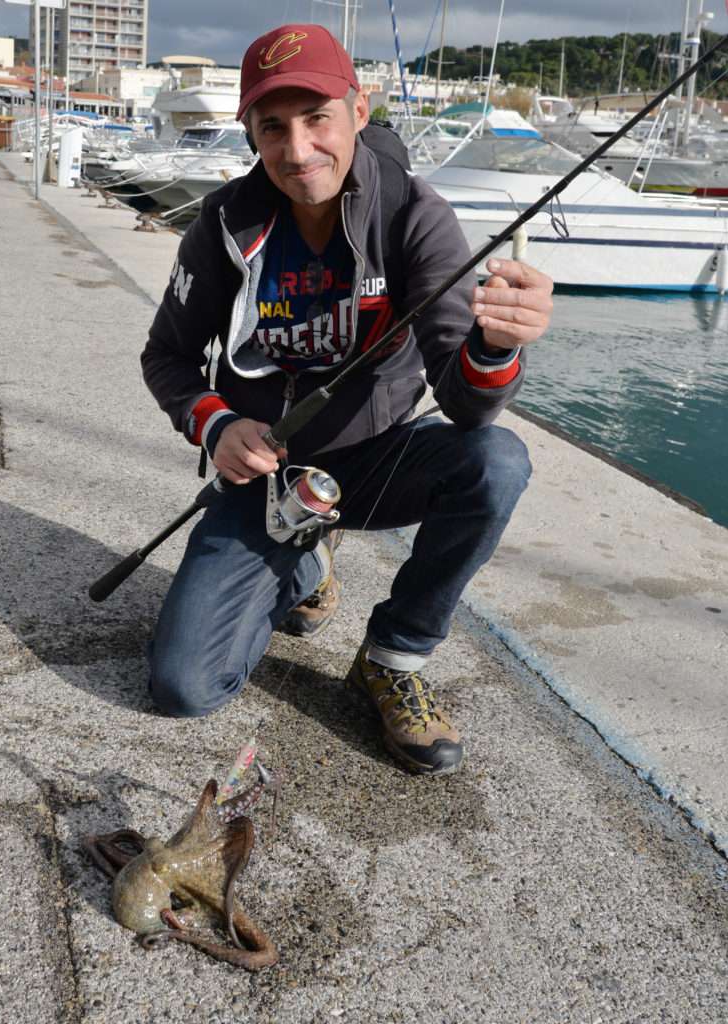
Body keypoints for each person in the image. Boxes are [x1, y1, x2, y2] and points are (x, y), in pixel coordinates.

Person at [140, 24, 553, 776]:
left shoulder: (415, 218)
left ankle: (393, 656)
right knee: (183, 689)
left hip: (374, 462)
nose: (297, 149)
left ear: (358, 110)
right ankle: (306, 563)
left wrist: (495, 345)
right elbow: (165, 356)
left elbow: (467, 408)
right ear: (250, 133)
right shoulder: (222, 225)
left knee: (496, 461)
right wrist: (217, 423)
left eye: (317, 118)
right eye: (273, 127)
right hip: (268, 479)